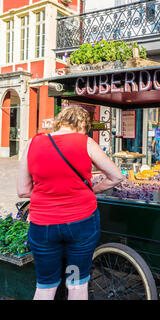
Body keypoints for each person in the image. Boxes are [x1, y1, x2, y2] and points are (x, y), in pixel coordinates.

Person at [16, 106, 124, 300]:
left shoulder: (33, 142)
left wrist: (49, 194)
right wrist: (92, 189)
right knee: (76, 283)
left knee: (46, 285)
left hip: (43, 227)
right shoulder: (86, 142)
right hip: (81, 225)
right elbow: (116, 176)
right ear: (82, 124)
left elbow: (23, 190)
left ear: (60, 121)